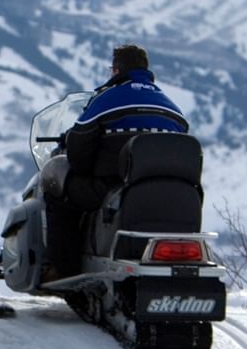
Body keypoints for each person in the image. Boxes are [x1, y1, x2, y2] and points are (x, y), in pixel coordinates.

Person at [43, 43, 188, 275]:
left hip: (113, 188)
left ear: (117, 71)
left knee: (60, 192)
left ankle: (63, 269)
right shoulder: (174, 109)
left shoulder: (106, 99)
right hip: (173, 195)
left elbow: (78, 152)